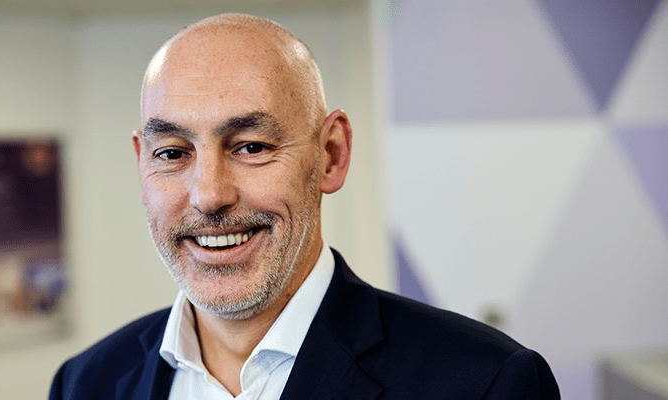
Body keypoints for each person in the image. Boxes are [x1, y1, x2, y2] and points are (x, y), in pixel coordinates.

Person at [50, 13, 560, 400]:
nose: (208, 195)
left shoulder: (485, 383)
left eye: (251, 146)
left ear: (331, 155)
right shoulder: (84, 383)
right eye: (173, 153)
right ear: (143, 166)